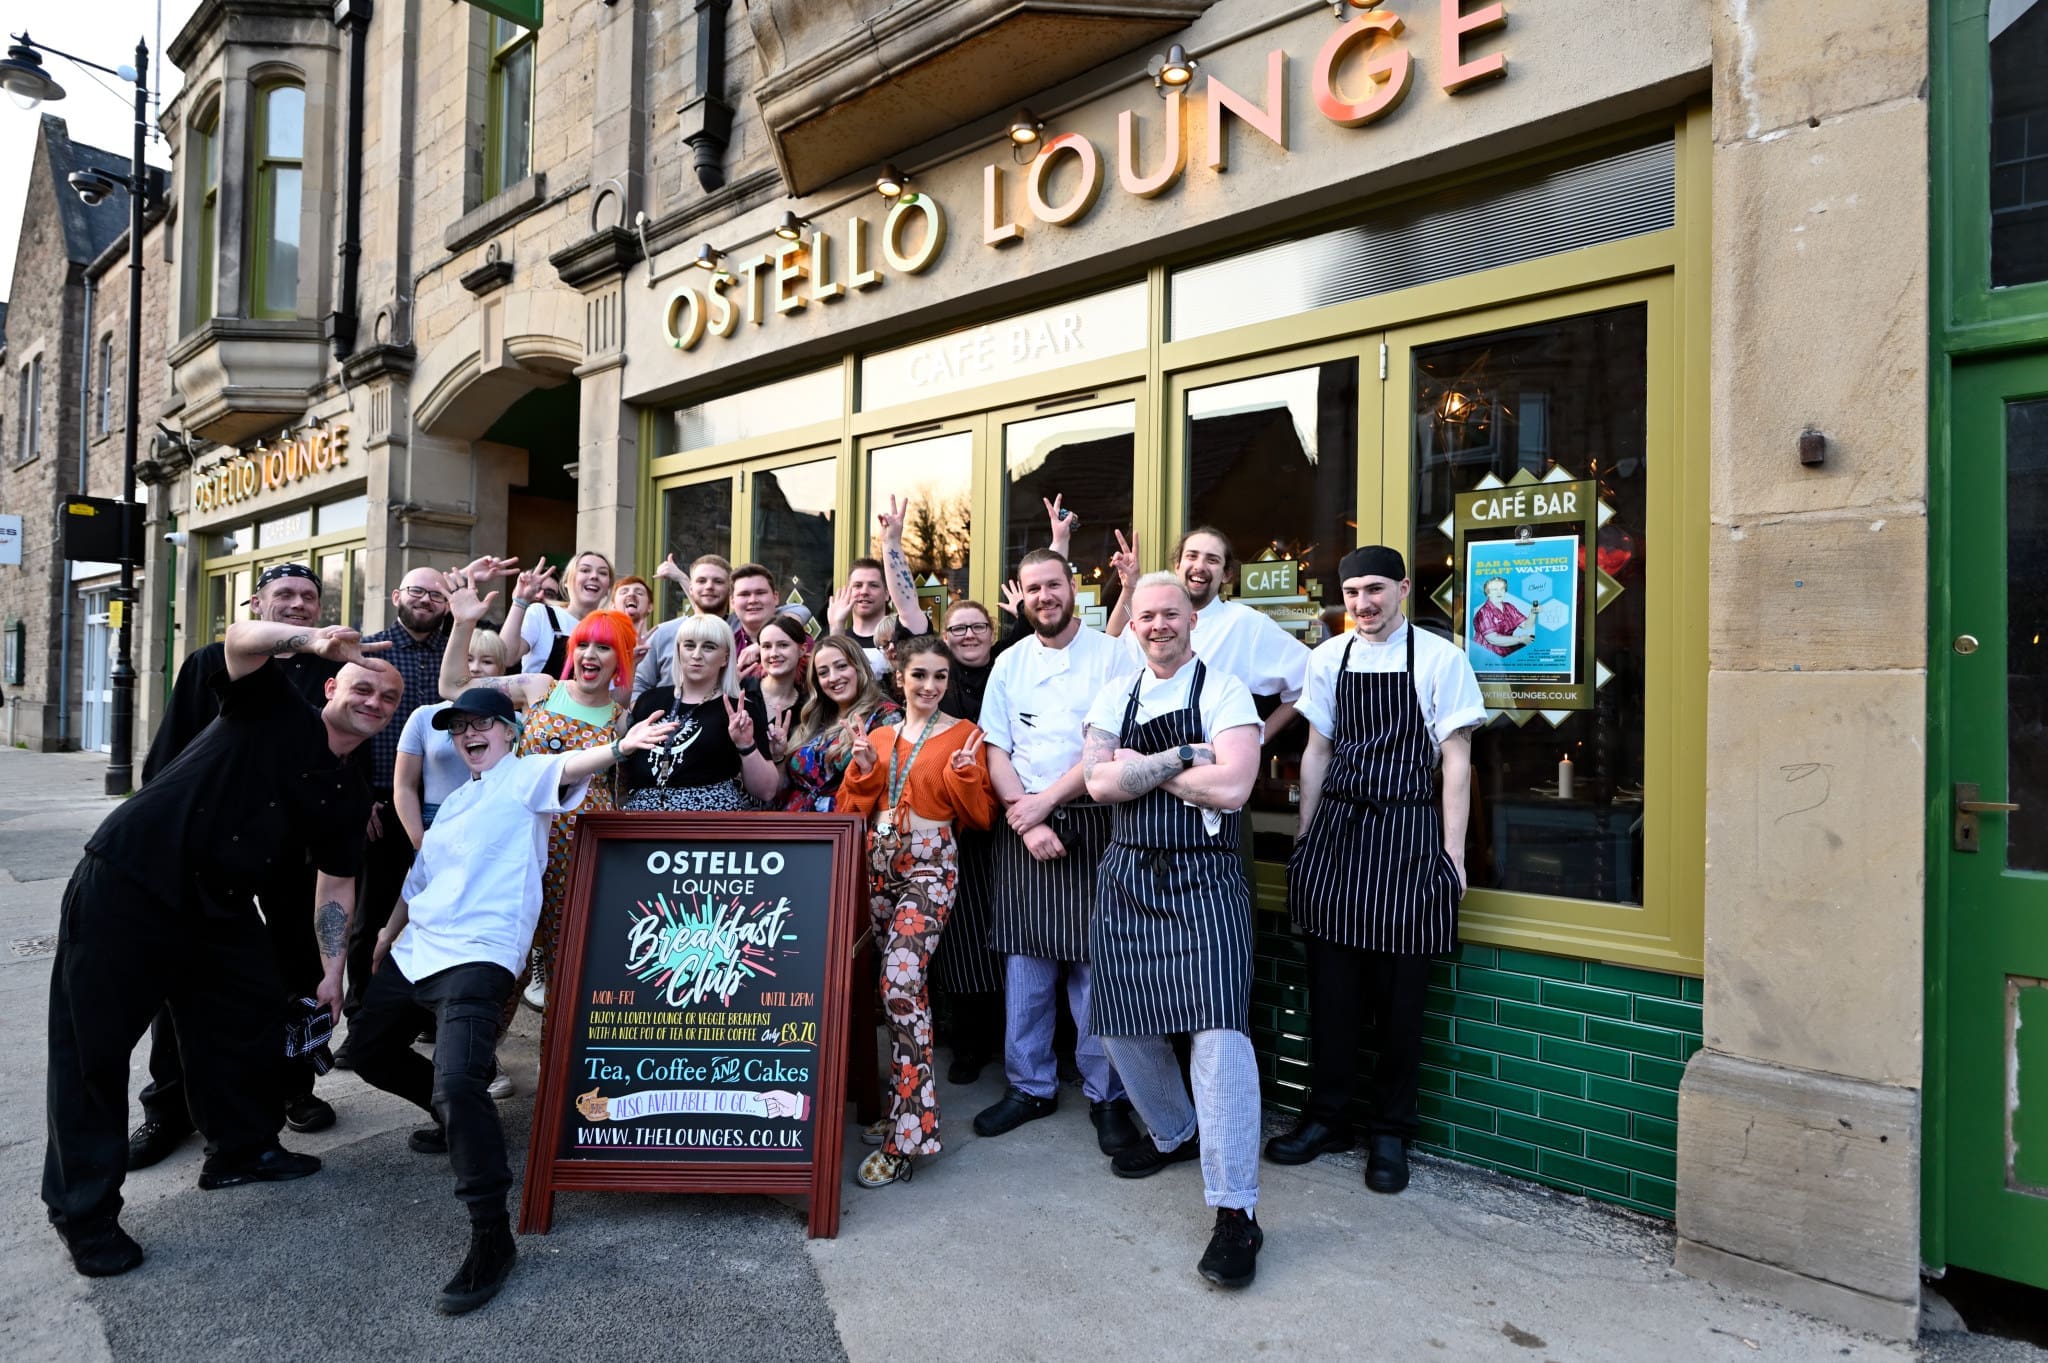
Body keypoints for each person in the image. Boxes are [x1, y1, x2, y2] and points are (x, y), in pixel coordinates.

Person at [43, 621, 400, 1278]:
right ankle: (83, 1213)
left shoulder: (345, 788)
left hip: (221, 907)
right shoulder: (270, 704)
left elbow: (338, 881)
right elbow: (240, 640)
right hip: (130, 881)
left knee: (248, 1019)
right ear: (331, 685)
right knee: (91, 1052)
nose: (374, 701)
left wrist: (330, 973)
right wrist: (309, 635)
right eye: (363, 686)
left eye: (387, 697)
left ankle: (240, 1150)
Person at [357, 686, 680, 1314]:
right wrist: (386, 933)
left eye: (481, 725)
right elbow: (418, 878)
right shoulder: (452, 804)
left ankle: (491, 1237)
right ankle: (459, 1123)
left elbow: (569, 766)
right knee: (369, 1053)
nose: (469, 735)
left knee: (459, 1083)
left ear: (507, 731)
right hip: (419, 943)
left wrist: (620, 747)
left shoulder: (523, 776)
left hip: (480, 951)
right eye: (459, 729)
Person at [1266, 546, 1485, 1194]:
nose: (1363, 602)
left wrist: (1453, 856)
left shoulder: (1442, 658)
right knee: (1332, 997)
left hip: (1408, 836)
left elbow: (1457, 761)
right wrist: (1305, 839)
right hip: (1337, 835)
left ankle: (1390, 1131)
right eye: (1354, 590)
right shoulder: (1329, 657)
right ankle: (1326, 1116)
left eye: (1376, 589)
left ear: (1404, 589)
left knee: (1399, 1005)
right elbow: (1316, 752)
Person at [128, 563, 354, 1168]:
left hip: (292, 855)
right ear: (257, 604)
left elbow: (349, 743)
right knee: (181, 982)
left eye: (310, 596)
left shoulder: (334, 669)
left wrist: (363, 804)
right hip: (208, 855)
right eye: (285, 595)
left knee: (296, 974)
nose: (300, 605)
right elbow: (166, 760)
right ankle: (166, 1111)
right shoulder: (210, 663)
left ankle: (294, 1091)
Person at [1082, 572, 1265, 1289]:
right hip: (1126, 873)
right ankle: (1177, 1132)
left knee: (1220, 1035)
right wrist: (1189, 756)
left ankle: (1235, 1213)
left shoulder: (1226, 691)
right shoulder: (1114, 695)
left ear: (1192, 619)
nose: (1157, 624)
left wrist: (1149, 768)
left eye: (1170, 613)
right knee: (1121, 1024)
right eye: (1147, 614)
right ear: (1135, 625)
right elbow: (1097, 783)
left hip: (1205, 875)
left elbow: (1236, 786)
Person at [974, 550, 1141, 1153]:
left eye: (1055, 584)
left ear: (1074, 586)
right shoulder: (1008, 663)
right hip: (1023, 823)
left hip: (1097, 820)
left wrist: (1044, 806)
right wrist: (1025, 817)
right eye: (1033, 588)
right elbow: (995, 748)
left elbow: (1108, 746)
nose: (1045, 596)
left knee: (1098, 967)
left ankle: (1107, 1095)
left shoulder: (1114, 653)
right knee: (1026, 965)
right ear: (1019, 594)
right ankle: (1029, 1087)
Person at [837, 635, 995, 1187]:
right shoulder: (877, 735)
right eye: (920, 676)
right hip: (878, 864)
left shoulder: (965, 735)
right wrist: (861, 768)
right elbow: (851, 809)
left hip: (932, 865)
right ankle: (904, 1105)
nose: (930, 687)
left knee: (901, 984)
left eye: (940, 678)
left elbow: (978, 817)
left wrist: (963, 775)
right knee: (893, 994)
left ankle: (909, 1134)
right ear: (899, 677)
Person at [439, 584, 634, 1012]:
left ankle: (556, 1068)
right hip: (519, 834)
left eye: (605, 648)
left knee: (571, 956)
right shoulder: (539, 687)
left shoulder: (622, 719)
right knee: (500, 950)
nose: (590, 656)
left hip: (582, 846)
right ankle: (479, 1061)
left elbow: (618, 790)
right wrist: (463, 622)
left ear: (621, 658)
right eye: (584, 644)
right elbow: (455, 687)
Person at [392, 626, 518, 1096]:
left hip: (485, 835)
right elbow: (404, 785)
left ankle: (475, 1059)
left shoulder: (505, 726)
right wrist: (421, 841)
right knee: (421, 937)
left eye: (488, 663)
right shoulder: (428, 717)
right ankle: (428, 1046)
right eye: (469, 661)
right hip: (433, 830)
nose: (478, 670)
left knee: (472, 953)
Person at [1107, 526, 1309, 746]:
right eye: (1191, 556)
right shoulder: (1157, 623)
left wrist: (1256, 741)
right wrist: (1129, 588)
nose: (1199, 566)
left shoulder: (1244, 623)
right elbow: (1114, 646)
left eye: (1212, 560)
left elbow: (1309, 678)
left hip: (1210, 767)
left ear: (1226, 574)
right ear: (1177, 566)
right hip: (1142, 754)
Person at [619, 614, 780, 811]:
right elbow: (618, 751)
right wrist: (627, 666)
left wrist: (746, 746)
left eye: (709, 647)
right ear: (678, 651)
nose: (696, 654)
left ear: (725, 658)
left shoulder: (740, 709)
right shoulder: (648, 701)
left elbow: (766, 791)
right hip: (640, 821)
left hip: (708, 828)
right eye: (689, 645)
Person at [777, 634, 901, 813]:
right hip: (793, 828)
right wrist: (778, 757)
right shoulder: (814, 719)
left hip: (844, 829)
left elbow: (888, 785)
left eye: (841, 666)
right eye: (823, 672)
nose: (833, 678)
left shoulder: (886, 717)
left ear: (859, 667)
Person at [635, 553, 735, 698]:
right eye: (701, 581)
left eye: (718, 582)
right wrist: (647, 717)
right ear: (690, 588)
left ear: (730, 590)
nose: (709, 587)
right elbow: (639, 683)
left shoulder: (740, 630)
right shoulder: (663, 633)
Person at [504, 550, 615, 675]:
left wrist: (632, 662)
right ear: (566, 581)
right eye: (585, 570)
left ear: (608, 588)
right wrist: (519, 602)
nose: (594, 576)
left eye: (602, 573)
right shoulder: (542, 614)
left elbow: (614, 693)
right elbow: (506, 658)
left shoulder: (610, 631)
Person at [742, 610, 811, 760]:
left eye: (783, 645)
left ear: (802, 650)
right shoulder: (742, 690)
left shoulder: (809, 706)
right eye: (766, 646)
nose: (773, 653)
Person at [1472, 576, 1534, 657]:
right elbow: (1493, 639)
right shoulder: (1483, 612)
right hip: (1487, 656)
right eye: (1495, 589)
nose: (1499, 592)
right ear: (1488, 593)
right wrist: (1520, 639)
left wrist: (1533, 613)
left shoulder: (1509, 607)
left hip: (1507, 651)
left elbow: (1526, 625)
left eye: (1502, 589)